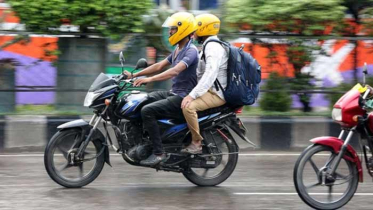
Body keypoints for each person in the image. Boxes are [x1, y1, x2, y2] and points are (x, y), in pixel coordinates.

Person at [124, 12, 199, 166]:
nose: (170, 32)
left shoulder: (191, 51)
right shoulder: (178, 50)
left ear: (183, 29)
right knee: (143, 100)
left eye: (172, 29)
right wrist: (134, 75)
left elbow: (174, 71)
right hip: (174, 92)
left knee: (148, 110)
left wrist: (149, 79)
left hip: (183, 97)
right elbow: (158, 66)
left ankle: (159, 152)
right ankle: (142, 142)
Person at [181, 14, 228, 154]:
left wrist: (192, 95)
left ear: (204, 28)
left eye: (196, 28)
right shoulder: (209, 45)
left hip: (216, 94)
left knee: (188, 107)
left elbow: (210, 74)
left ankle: (196, 143)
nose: (194, 32)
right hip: (211, 90)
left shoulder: (213, 47)